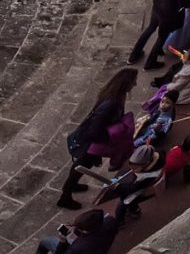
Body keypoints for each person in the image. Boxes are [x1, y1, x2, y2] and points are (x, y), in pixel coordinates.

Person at [58, 68, 139, 209]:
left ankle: (72, 186)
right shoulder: (112, 103)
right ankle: (65, 197)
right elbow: (94, 129)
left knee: (80, 166)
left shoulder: (114, 96)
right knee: (80, 167)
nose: (135, 84)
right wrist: (110, 138)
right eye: (133, 81)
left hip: (90, 140)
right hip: (90, 142)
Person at [129, 0, 189, 69]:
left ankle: (134, 55)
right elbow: (183, 1)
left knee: (150, 29)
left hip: (157, 4)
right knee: (162, 37)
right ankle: (150, 63)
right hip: (169, 12)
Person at [36, 203, 128, 254]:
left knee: (45, 241)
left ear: (85, 230)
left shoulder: (78, 247)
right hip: (101, 248)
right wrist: (77, 230)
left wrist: (62, 242)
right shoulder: (110, 221)